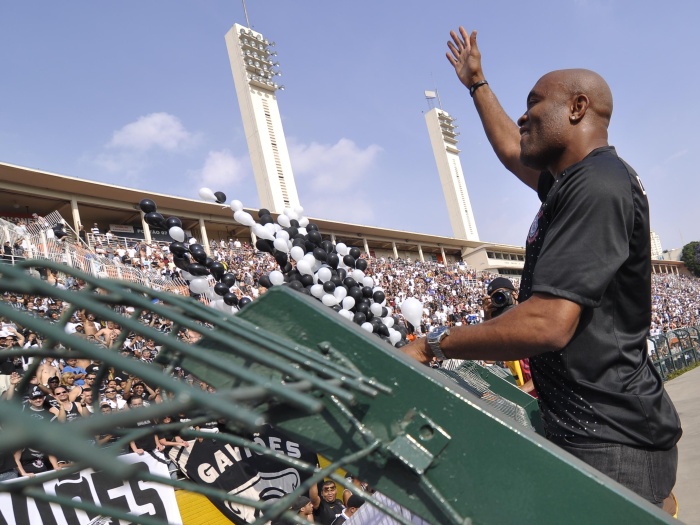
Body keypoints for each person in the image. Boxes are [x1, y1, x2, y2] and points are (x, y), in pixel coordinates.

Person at [402, 26, 682, 513]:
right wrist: (476, 85)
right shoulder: (572, 182)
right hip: (596, 433)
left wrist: (434, 344)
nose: (522, 114)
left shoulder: (598, 185)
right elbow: (514, 151)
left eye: (534, 103)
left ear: (577, 108)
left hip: (612, 442)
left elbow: (547, 323)